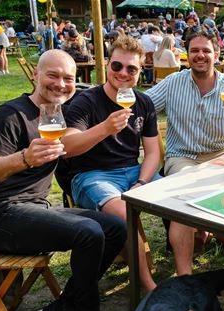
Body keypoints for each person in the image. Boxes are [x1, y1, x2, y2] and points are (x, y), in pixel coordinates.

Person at [0, 49, 125, 311]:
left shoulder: (56, 116)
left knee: (115, 228)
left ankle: (61, 310)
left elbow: (74, 147)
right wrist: (25, 158)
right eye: (52, 75)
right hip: (1, 215)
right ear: (35, 76)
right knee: (89, 233)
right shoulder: (10, 114)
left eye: (69, 78)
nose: (61, 84)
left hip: (35, 208)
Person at [145, 30, 224, 275]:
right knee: (183, 198)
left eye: (206, 51)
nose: (200, 55)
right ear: (186, 55)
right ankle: (185, 277)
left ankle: (222, 232)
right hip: (183, 156)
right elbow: (143, 107)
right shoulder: (173, 83)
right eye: (194, 51)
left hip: (220, 155)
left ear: (216, 55)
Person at [62, 36, 161, 292]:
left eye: (132, 68)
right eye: (117, 66)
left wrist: (141, 182)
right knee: (124, 214)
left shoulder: (143, 102)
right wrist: (105, 128)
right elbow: (67, 147)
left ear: (140, 72)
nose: (123, 73)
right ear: (107, 65)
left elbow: (152, 153)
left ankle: (185, 273)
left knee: (180, 201)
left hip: (134, 173)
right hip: (93, 176)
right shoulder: (86, 101)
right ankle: (149, 287)